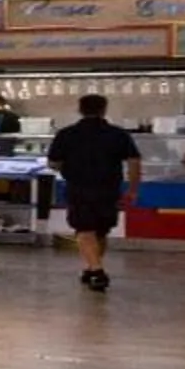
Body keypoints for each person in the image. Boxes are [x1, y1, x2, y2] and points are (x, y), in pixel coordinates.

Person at [46, 92, 144, 292]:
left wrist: (66, 166)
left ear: (80, 110)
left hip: (79, 188)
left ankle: (97, 272)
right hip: (109, 189)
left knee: (84, 229)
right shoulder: (118, 134)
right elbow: (134, 162)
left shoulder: (66, 134)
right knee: (101, 230)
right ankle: (92, 268)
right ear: (104, 110)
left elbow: (53, 163)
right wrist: (133, 189)